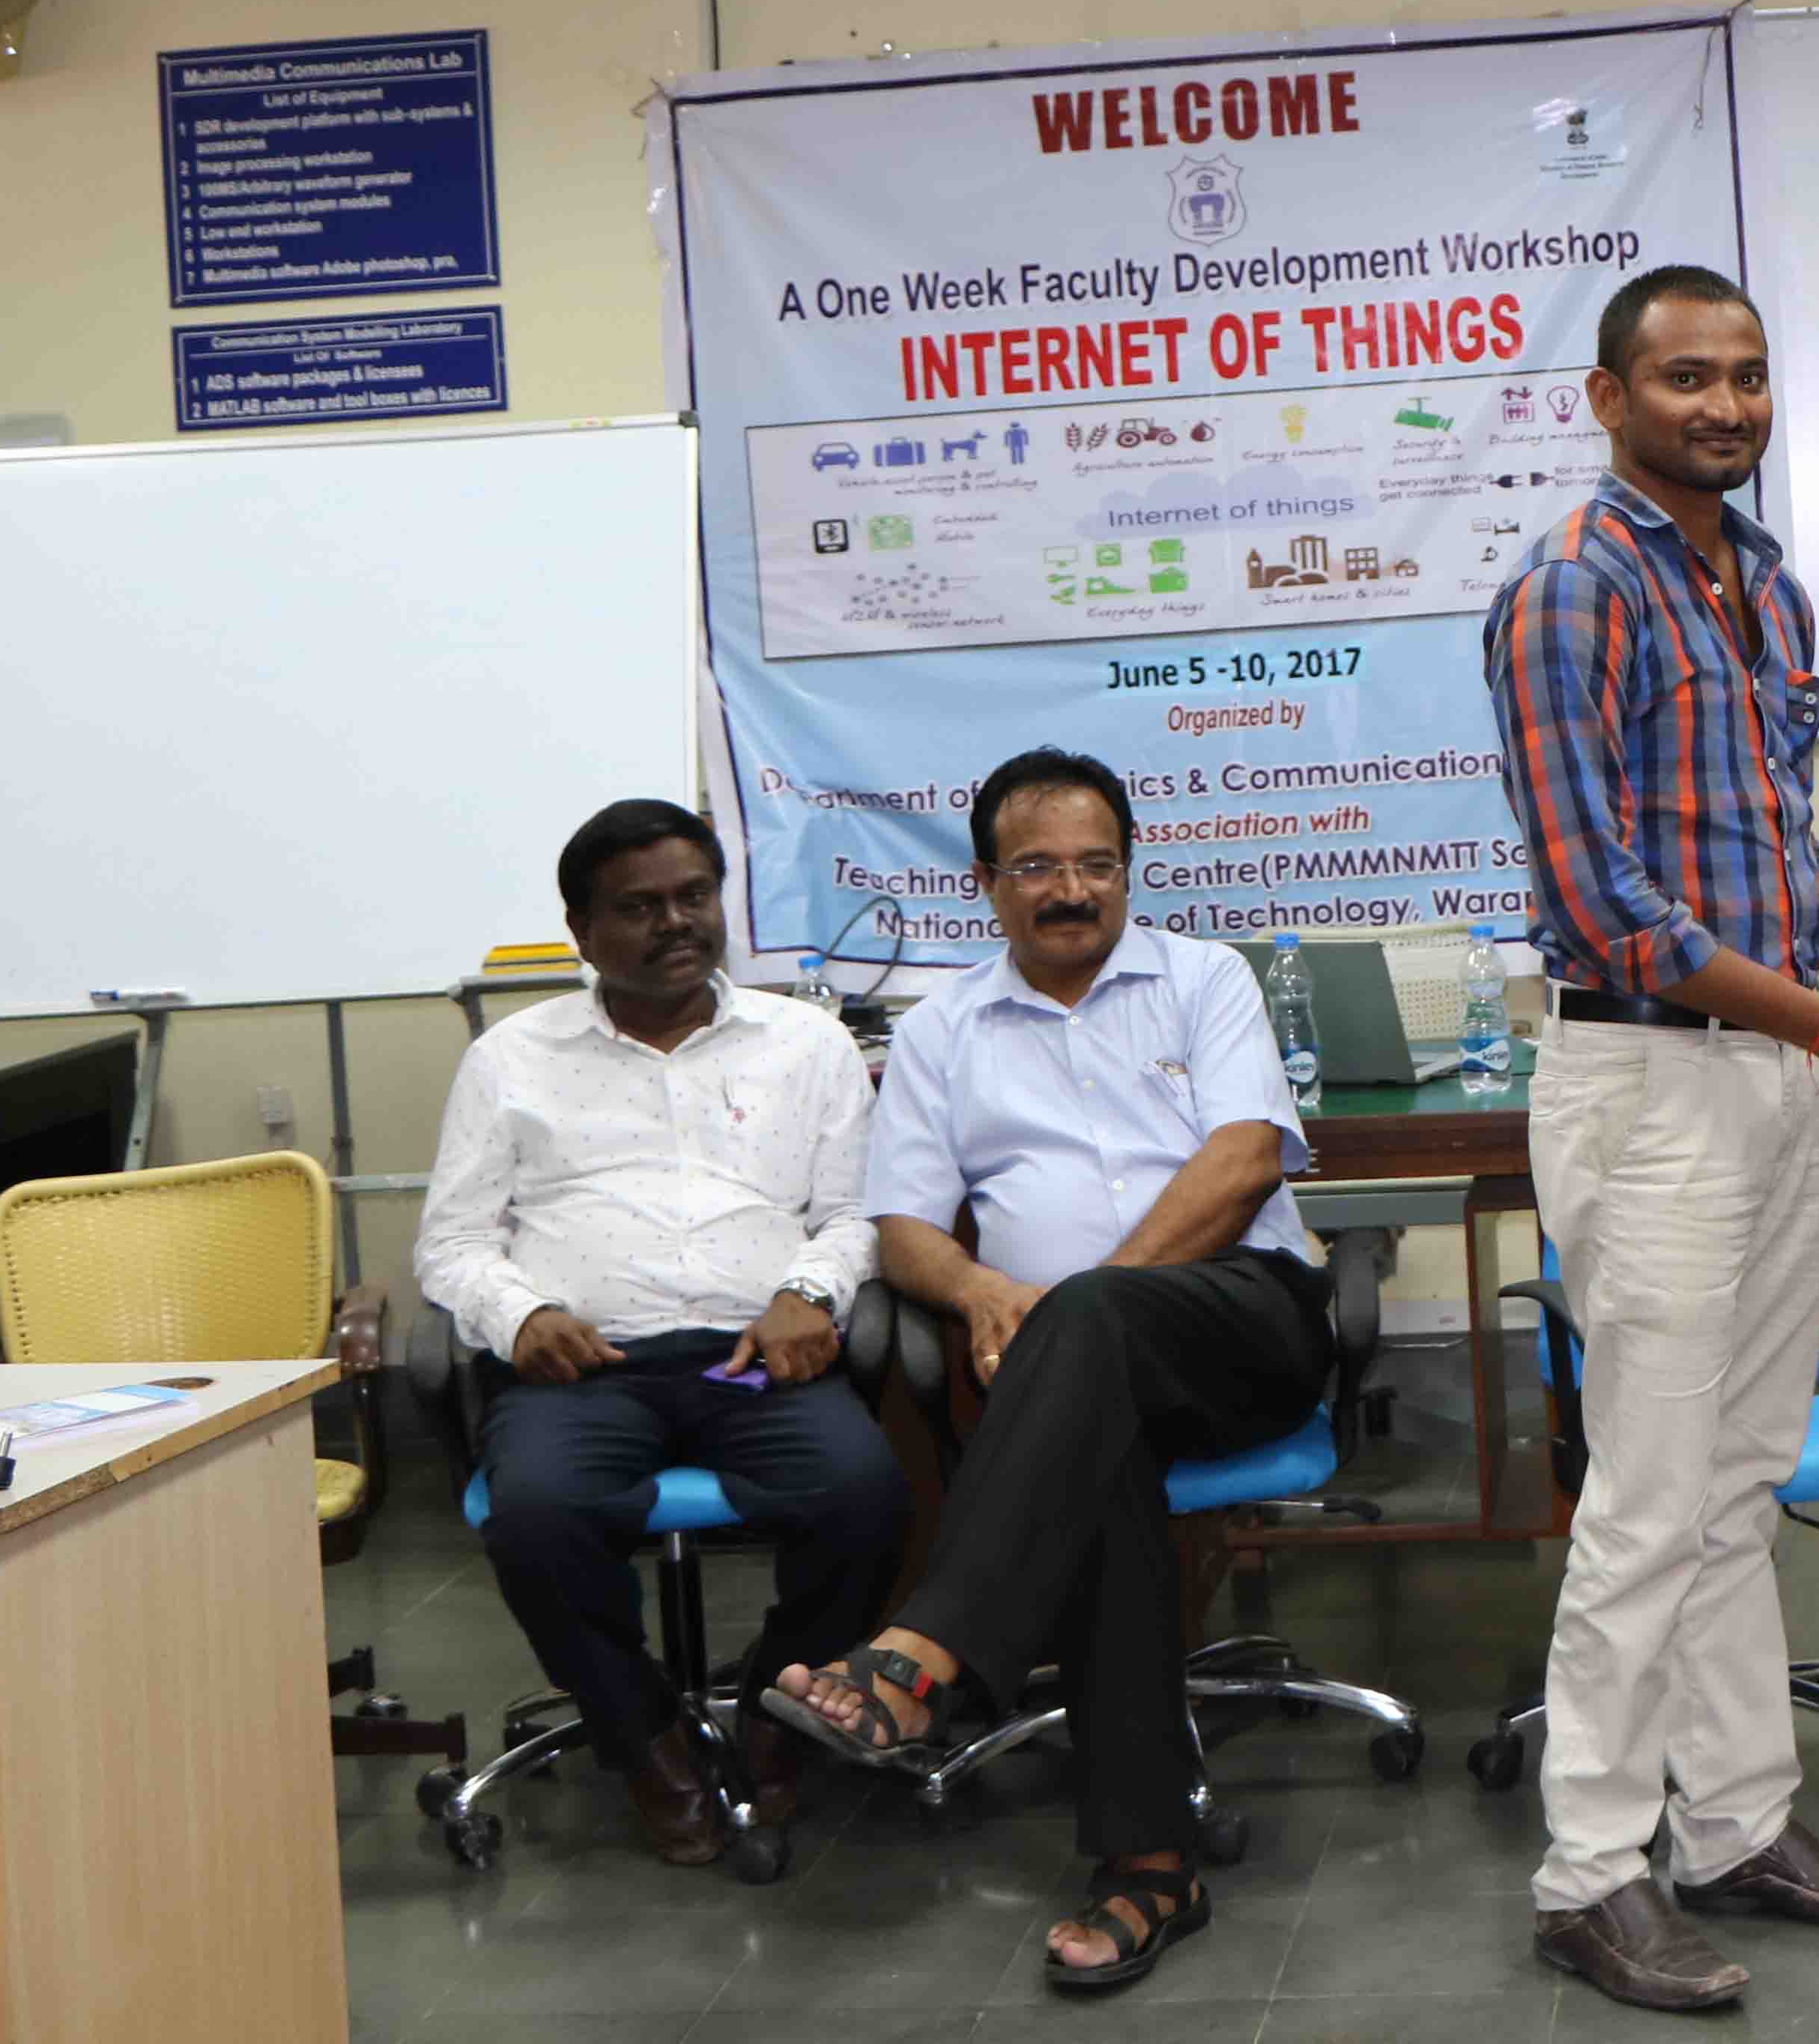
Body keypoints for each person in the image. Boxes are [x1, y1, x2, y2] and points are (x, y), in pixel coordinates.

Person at [1488, 259, 1819, 2012]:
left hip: (1767, 1070)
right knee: (1647, 1497)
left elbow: (1745, 837)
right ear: (1609, 399)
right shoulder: (1571, 588)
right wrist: (1816, 1009)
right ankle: (1589, 1871)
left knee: (1740, 1480)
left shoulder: (1762, 575)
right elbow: (1601, 902)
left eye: (1749, 375)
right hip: (1654, 1082)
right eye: (1687, 377)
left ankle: (1739, 1822)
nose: (1727, 405)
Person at [757, 744, 1332, 1996]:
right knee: (1098, 1458)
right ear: (986, 883)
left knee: (1092, 1334)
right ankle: (1151, 1868)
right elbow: (903, 1227)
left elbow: (1244, 1163)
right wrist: (976, 1290)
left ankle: (916, 1658)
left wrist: (1089, 1303)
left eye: (1096, 865)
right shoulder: (942, 1030)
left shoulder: (1205, 978)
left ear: (1129, 871)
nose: (1071, 890)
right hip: (1065, 1369)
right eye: (1037, 868)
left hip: (1244, 1322)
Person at [411, 797, 904, 1868]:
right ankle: (642, 1736)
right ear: (582, 931)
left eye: (694, 896)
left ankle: (777, 1711)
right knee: (538, 1516)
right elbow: (451, 1243)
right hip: (586, 1366)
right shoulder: (510, 1058)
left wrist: (811, 1292)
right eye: (639, 907)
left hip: (753, 1358)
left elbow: (856, 1214)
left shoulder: (808, 1044)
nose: (676, 922)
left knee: (864, 1494)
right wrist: (521, 1315)